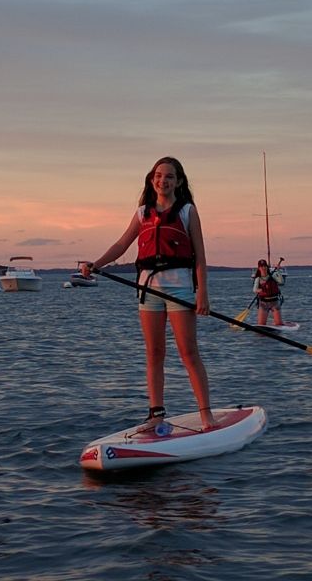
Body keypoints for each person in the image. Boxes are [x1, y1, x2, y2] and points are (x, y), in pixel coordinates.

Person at [81, 156, 217, 431]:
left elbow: (200, 258)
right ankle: (156, 414)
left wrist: (202, 293)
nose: (162, 180)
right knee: (154, 353)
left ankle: (206, 414)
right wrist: (96, 264)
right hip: (148, 291)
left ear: (178, 181)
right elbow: (122, 243)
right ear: (151, 179)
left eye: (169, 176)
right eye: (158, 175)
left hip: (179, 288)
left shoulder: (187, 211)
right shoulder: (143, 212)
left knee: (188, 352)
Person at [253, 259, 284, 326]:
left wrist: (278, 271)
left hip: (274, 302)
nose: (263, 268)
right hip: (263, 303)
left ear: (267, 267)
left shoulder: (273, 275)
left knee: (279, 324)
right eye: (261, 266)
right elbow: (254, 290)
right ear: (259, 268)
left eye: (265, 266)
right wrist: (260, 290)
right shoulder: (258, 278)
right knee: (261, 324)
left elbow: (281, 282)